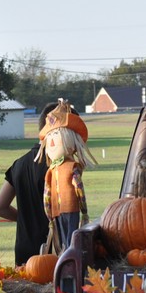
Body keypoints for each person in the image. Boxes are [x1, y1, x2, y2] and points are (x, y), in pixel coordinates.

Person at [0, 102, 61, 265]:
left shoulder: (19, 164)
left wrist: (26, 219)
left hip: (24, 250)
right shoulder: (57, 166)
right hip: (52, 251)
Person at [36, 99, 97, 252]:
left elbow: (79, 189)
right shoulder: (51, 170)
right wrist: (48, 214)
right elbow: (47, 194)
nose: (51, 143)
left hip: (70, 207)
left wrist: (84, 211)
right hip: (56, 211)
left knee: (70, 240)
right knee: (60, 242)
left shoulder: (72, 167)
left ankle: (70, 263)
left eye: (56, 135)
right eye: (50, 136)